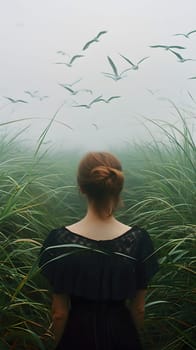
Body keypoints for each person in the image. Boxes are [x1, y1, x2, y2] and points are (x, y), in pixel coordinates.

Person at [39, 151, 159, 350]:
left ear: (81, 188)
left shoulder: (59, 239)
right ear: (118, 186)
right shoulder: (139, 240)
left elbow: (59, 313)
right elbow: (138, 309)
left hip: (76, 338)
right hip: (122, 336)